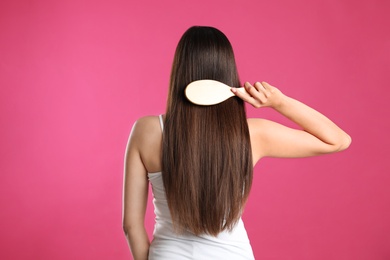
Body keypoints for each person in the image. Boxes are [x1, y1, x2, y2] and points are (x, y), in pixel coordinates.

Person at [122, 26, 351, 260]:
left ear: (179, 71)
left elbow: (131, 225)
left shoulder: (146, 131)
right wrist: (279, 102)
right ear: (228, 71)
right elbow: (338, 140)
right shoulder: (253, 135)